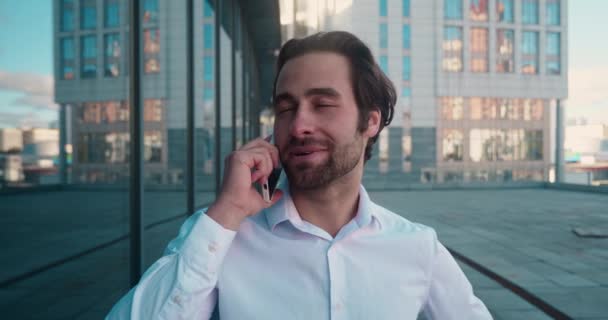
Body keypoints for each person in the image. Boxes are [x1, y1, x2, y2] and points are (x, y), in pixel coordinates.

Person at [107, 31, 492, 319]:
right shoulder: (219, 237)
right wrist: (224, 213)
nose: (299, 124)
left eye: (323, 104)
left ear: (370, 121)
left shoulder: (417, 248)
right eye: (286, 108)